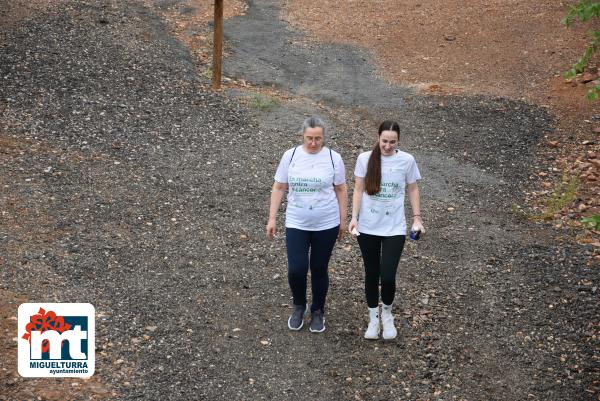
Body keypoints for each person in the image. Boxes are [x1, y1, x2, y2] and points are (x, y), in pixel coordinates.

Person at [266, 116, 347, 333]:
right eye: (309, 138)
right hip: (297, 222)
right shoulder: (290, 156)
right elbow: (279, 187)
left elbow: (341, 189)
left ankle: (318, 310)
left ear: (324, 138)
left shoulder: (333, 158)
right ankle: (299, 305)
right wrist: (272, 218)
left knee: (319, 268)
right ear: (303, 136)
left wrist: (342, 221)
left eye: (318, 138)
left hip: (326, 223)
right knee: (296, 269)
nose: (313, 143)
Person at [348, 120, 424, 340]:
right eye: (384, 141)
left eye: (393, 142)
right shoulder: (365, 159)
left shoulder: (407, 160)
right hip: (368, 226)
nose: (388, 146)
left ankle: (387, 315)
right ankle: (373, 318)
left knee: (388, 276)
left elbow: (413, 188)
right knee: (372, 274)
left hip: (394, 228)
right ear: (378, 138)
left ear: (398, 141)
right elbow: (358, 188)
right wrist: (354, 218)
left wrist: (417, 218)